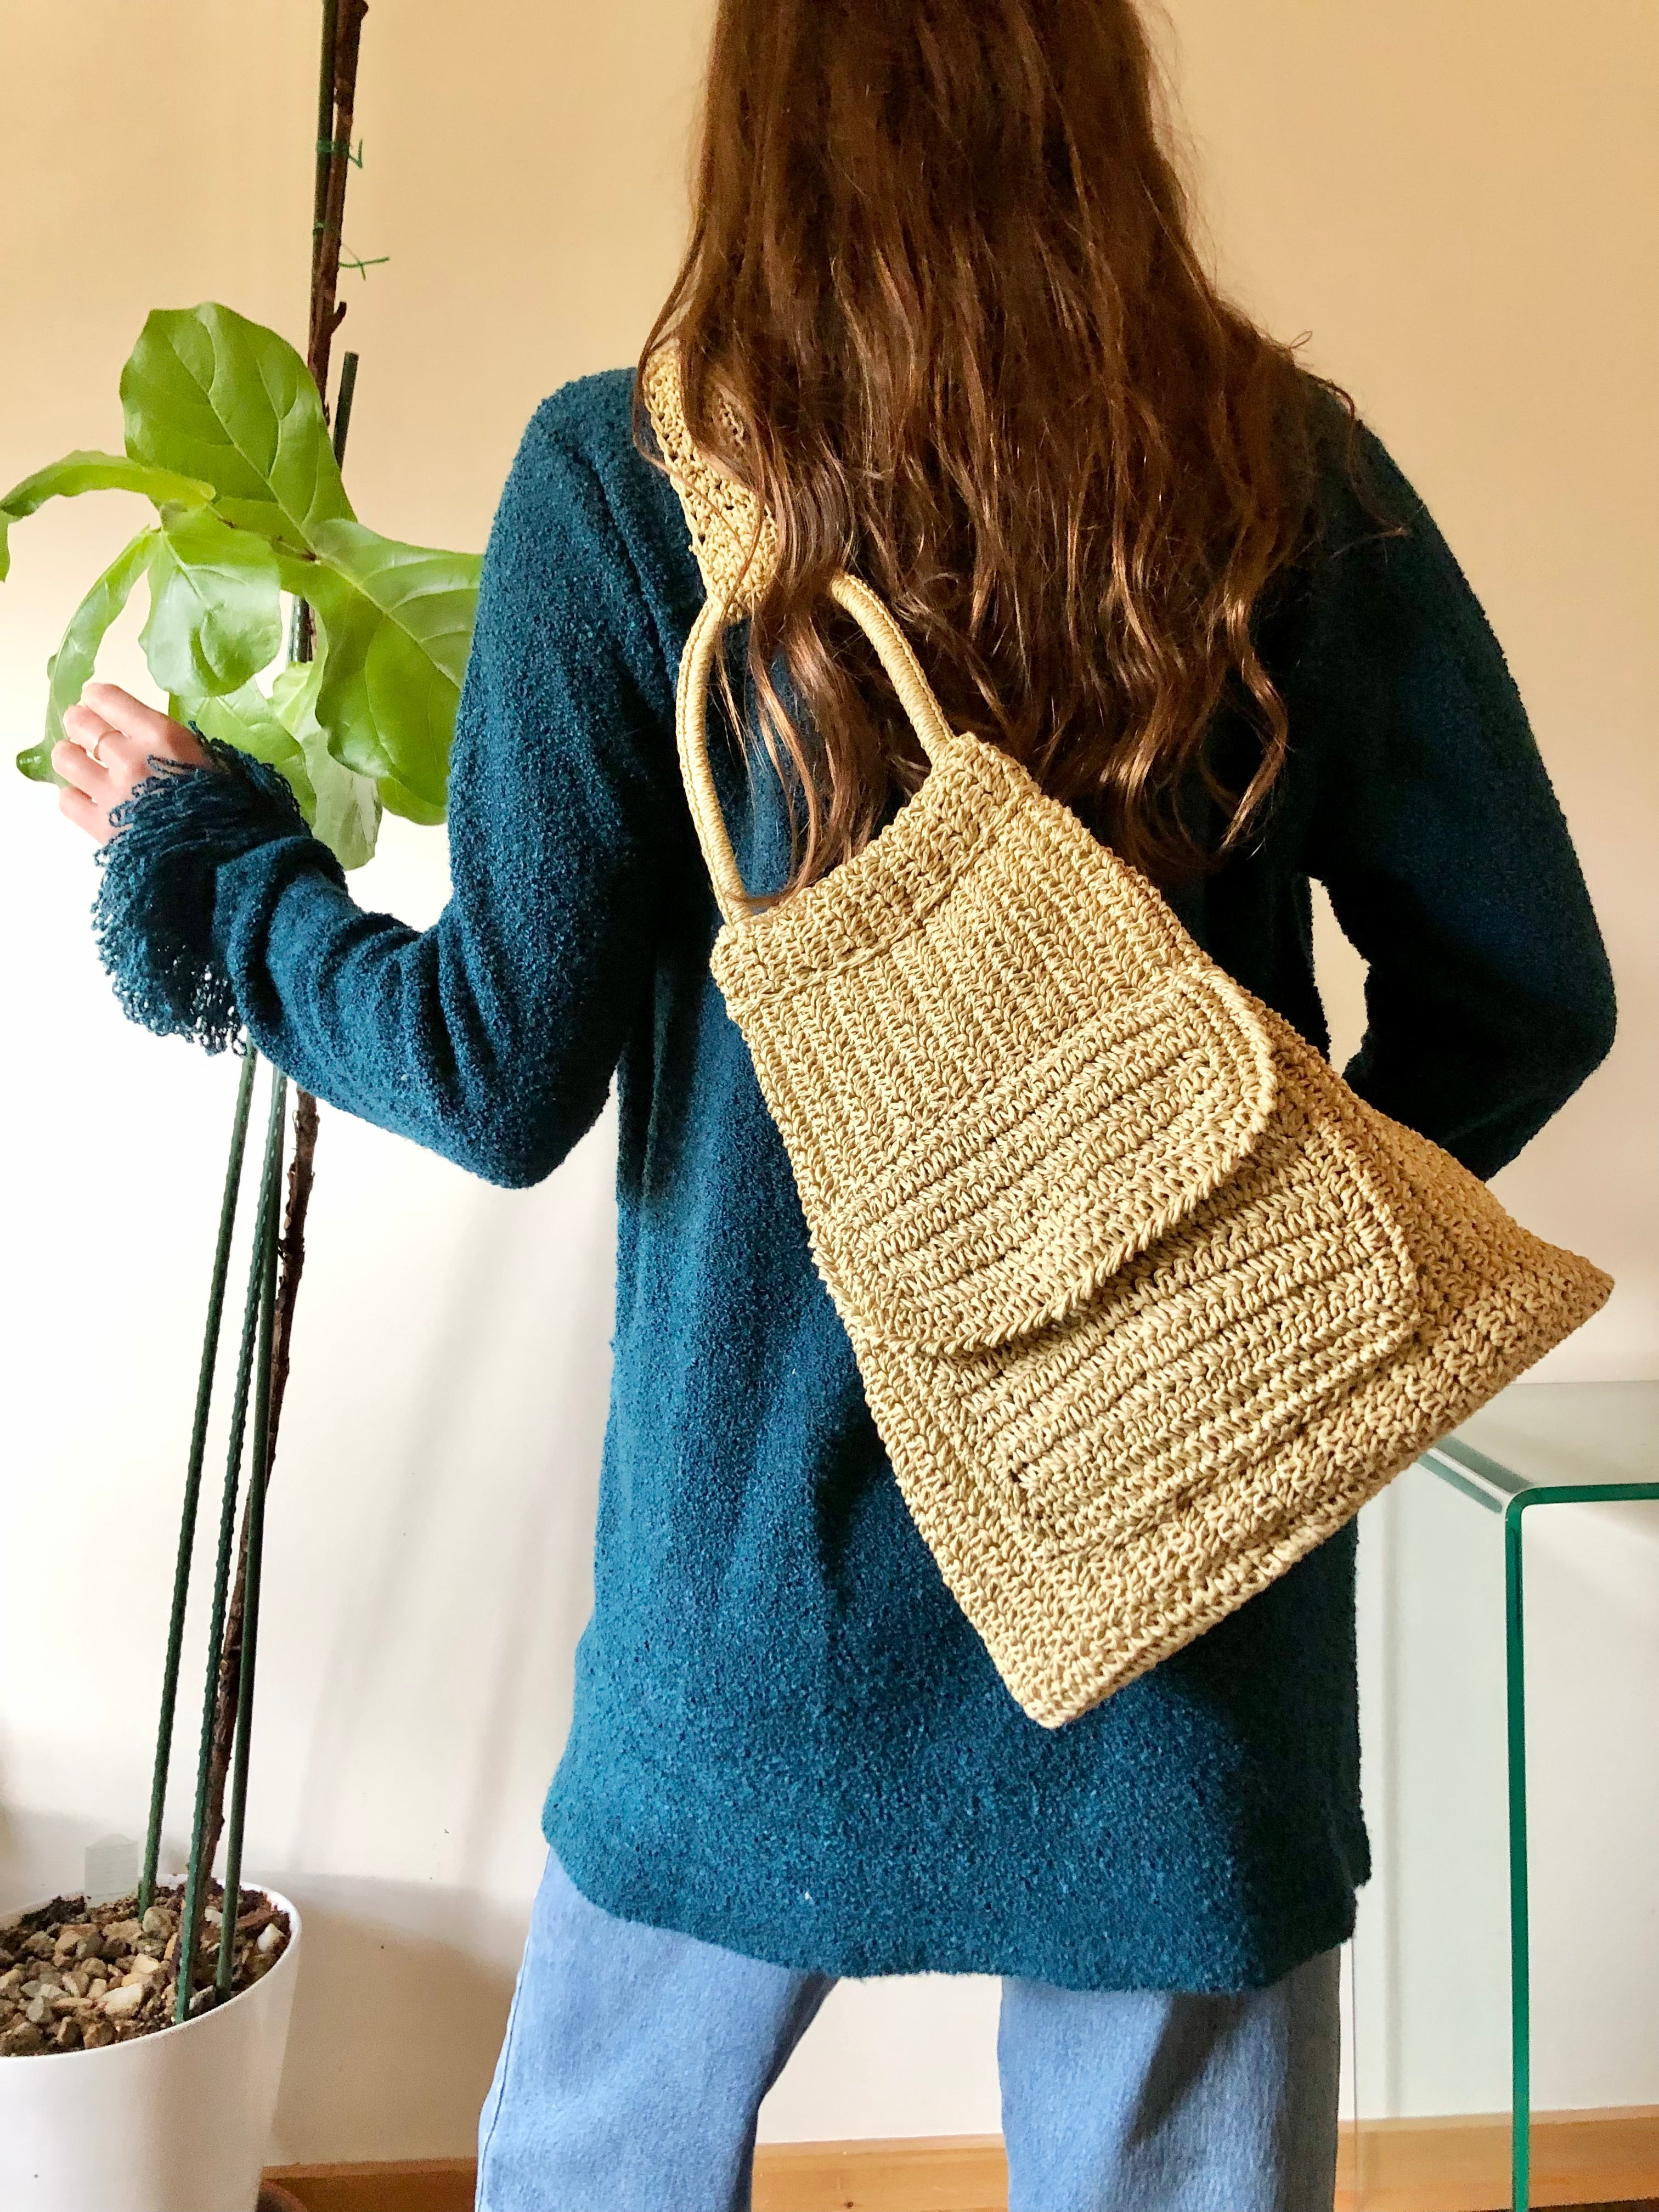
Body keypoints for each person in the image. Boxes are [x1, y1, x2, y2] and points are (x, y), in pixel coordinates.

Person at [49, 3, 1615, 2208]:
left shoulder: (622, 488)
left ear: (764, 125)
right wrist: (1246, 1264)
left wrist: (225, 891)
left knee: (602, 2163)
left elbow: (496, 1079)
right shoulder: (1279, 475)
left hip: (755, 1584)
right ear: (1098, 111)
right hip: (1183, 1561)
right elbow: (1523, 993)